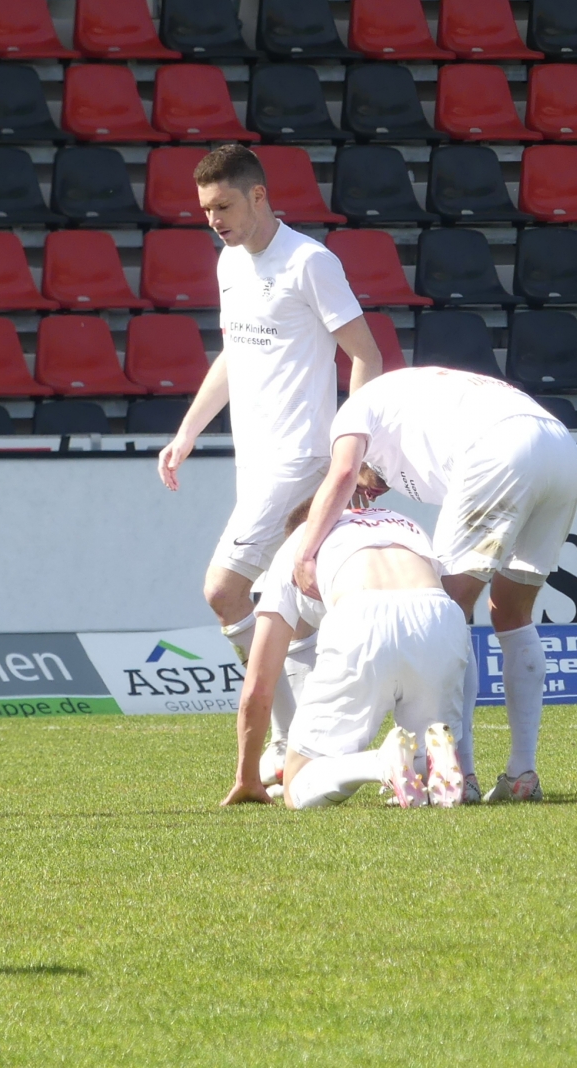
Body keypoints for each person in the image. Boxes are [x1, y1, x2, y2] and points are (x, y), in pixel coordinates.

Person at [155, 146, 384, 778]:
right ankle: (323, 747)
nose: (214, 220)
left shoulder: (311, 262)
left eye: (223, 206)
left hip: (301, 457)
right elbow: (235, 353)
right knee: (295, 609)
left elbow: (366, 356)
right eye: (205, 210)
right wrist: (187, 432)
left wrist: (355, 448)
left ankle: (288, 744)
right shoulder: (229, 262)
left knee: (223, 590)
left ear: (258, 196)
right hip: (253, 460)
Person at [290, 367, 577, 804]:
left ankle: (462, 775)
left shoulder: (354, 410)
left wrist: (304, 553)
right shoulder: (415, 396)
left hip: (498, 447)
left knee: (446, 613)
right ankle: (522, 773)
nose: (368, 498)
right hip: (560, 448)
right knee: (512, 612)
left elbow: (345, 469)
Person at [224, 499, 471, 810]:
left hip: (362, 614)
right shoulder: (403, 524)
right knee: (426, 745)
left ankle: (381, 763)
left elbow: (258, 686)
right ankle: (438, 766)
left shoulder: (298, 543)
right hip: (440, 613)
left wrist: (247, 778)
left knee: (296, 786)